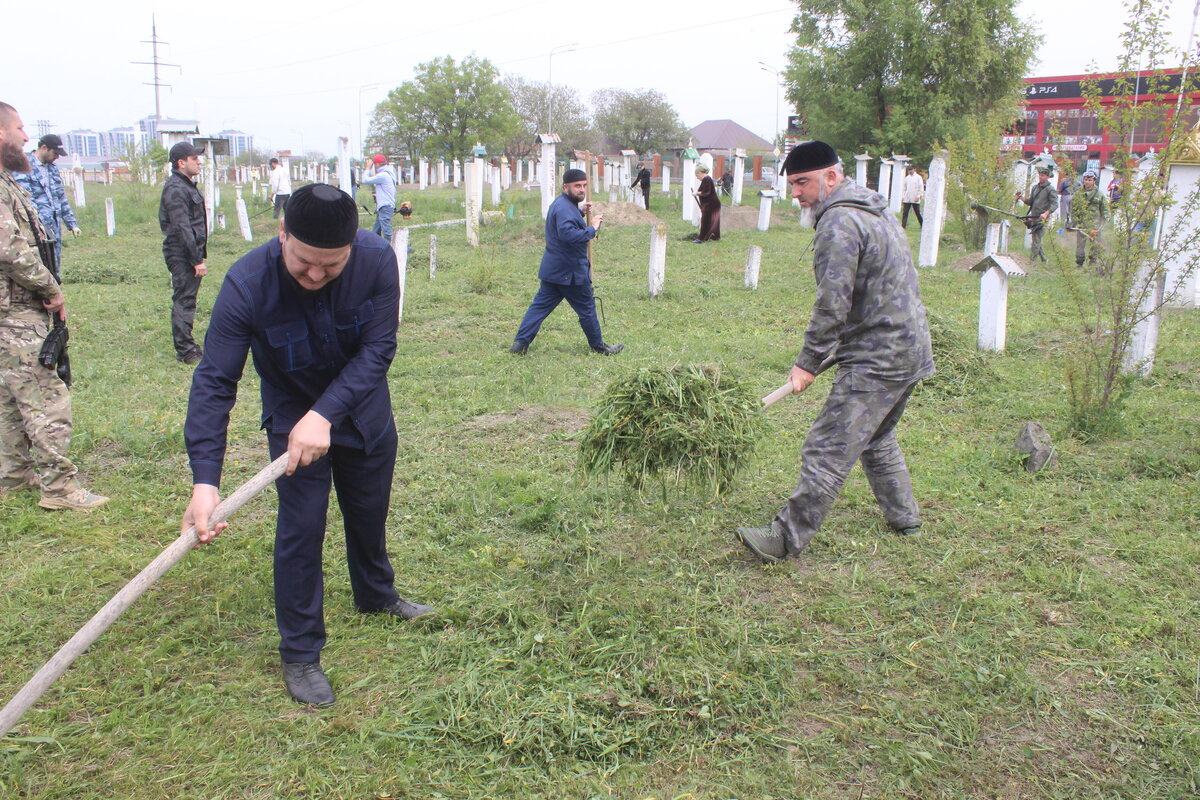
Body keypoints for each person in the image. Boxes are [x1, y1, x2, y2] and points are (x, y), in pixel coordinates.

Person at [181, 183, 434, 707]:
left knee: (369, 510)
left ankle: (376, 594)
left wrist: (328, 413)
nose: (316, 276)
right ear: (282, 236)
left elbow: (379, 347)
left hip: (363, 413)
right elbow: (214, 382)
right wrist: (205, 482)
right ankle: (300, 652)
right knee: (301, 529)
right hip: (291, 422)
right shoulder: (247, 283)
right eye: (304, 264)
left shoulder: (376, 259)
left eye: (331, 266)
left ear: (351, 249)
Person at [735, 140, 934, 563]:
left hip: (878, 356)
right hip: (911, 346)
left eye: (802, 182)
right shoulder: (874, 209)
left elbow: (833, 302)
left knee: (827, 446)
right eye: (791, 184)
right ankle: (905, 517)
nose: (796, 193)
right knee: (876, 437)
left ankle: (784, 538)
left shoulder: (840, 223)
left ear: (832, 176)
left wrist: (808, 362)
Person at [0, 102, 107, 511]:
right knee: (46, 396)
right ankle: (59, 488)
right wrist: (51, 288)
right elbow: (10, 249)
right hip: (15, 312)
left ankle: (14, 474)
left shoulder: (7, 179)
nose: (26, 137)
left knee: (10, 395)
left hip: (9, 310)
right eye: (20, 128)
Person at [509, 168, 623, 356]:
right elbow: (568, 234)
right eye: (577, 186)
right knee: (587, 309)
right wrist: (592, 228)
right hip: (570, 273)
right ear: (565, 187)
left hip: (554, 270)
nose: (582, 190)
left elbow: (567, 219)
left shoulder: (563, 205)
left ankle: (520, 344)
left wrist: (580, 211)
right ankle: (599, 347)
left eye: (584, 186)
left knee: (538, 308)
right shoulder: (564, 208)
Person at [158, 141, 208, 365]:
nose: (199, 162)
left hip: (188, 251)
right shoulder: (176, 189)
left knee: (188, 298)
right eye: (194, 158)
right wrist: (196, 260)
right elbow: (182, 228)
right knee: (185, 300)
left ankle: (188, 344)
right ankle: (186, 350)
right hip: (182, 253)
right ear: (181, 162)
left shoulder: (186, 186)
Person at [13, 134, 80, 280]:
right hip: (35, 227)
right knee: (39, 266)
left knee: (54, 266)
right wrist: (40, 223)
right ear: (44, 148)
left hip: (54, 226)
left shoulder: (52, 169)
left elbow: (61, 197)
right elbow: (26, 198)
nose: (57, 157)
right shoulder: (23, 166)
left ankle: (54, 290)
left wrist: (71, 223)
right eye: (55, 153)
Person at [1015, 167, 1058, 263]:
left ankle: (1031, 261)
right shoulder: (1035, 187)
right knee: (1036, 239)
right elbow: (1031, 202)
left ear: (1047, 176)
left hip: (1042, 219)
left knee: (1036, 240)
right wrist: (1021, 198)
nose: (1040, 177)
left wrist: (1046, 213)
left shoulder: (1050, 190)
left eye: (1042, 175)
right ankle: (1044, 259)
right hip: (1033, 217)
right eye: (1039, 175)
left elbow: (1055, 205)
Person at [1073, 170, 1109, 267]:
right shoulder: (1078, 193)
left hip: (1095, 226)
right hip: (1081, 225)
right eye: (1086, 179)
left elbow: (1105, 208)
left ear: (1094, 181)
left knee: (1094, 246)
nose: (1087, 182)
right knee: (1080, 246)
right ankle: (1079, 264)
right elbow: (1074, 209)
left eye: (1090, 180)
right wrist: (1073, 221)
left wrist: (1106, 218)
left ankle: (1092, 264)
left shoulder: (1099, 194)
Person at [362, 154, 396, 242]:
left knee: (387, 233)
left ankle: (396, 248)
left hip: (385, 206)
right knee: (375, 232)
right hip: (384, 206)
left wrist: (368, 168)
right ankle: (377, 249)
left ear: (377, 164)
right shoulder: (389, 172)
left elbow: (365, 180)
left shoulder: (383, 175)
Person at [693, 163, 721, 243]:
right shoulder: (706, 179)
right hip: (712, 204)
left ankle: (701, 238)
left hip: (711, 205)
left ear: (700, 173)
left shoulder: (706, 179)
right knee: (712, 221)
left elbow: (706, 192)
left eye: (697, 174)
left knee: (706, 221)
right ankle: (713, 237)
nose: (696, 177)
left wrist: (697, 193)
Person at [900, 165, 924, 229]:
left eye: (911, 169)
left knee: (917, 212)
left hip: (915, 197)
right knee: (905, 212)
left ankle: (922, 225)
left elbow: (921, 187)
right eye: (909, 170)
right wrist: (903, 197)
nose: (910, 171)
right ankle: (903, 225)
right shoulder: (907, 178)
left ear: (914, 169)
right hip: (907, 197)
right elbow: (904, 188)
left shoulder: (918, 177)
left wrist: (919, 196)